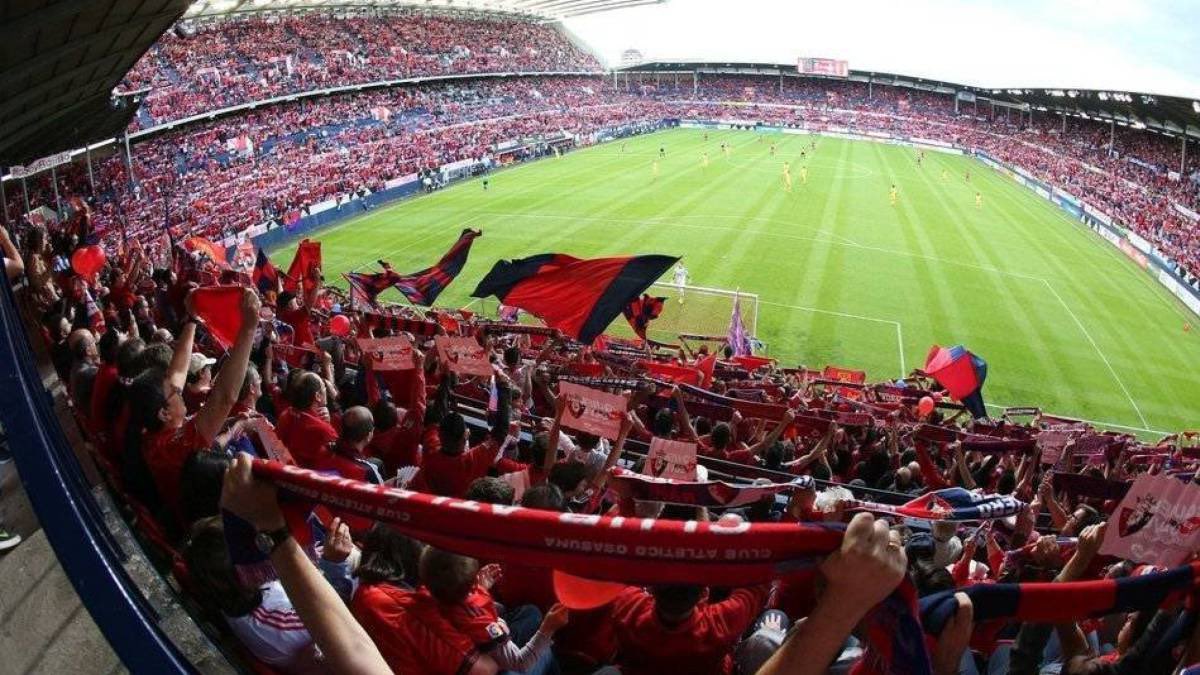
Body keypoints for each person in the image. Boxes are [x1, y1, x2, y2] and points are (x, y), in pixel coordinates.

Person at [220, 454, 390, 674]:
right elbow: (337, 628)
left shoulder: (247, 604)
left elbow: (352, 646)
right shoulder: (277, 623)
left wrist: (270, 527)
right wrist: (332, 563)